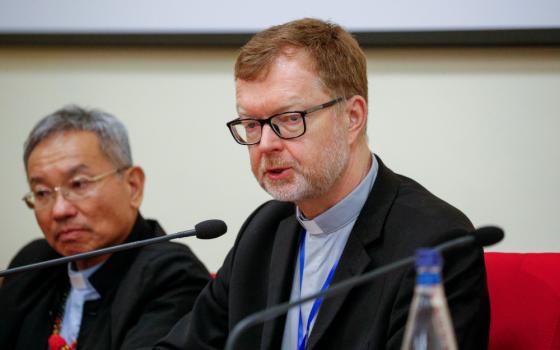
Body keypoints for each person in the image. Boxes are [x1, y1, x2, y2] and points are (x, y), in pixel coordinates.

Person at [167, 18, 490, 349]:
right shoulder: (264, 230)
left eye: (289, 118)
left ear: (352, 118)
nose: (265, 143)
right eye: (252, 123)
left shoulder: (433, 244)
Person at [0, 106, 211, 350]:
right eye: (42, 193)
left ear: (133, 186)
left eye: (78, 184)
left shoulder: (172, 276)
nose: (59, 210)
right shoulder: (33, 264)